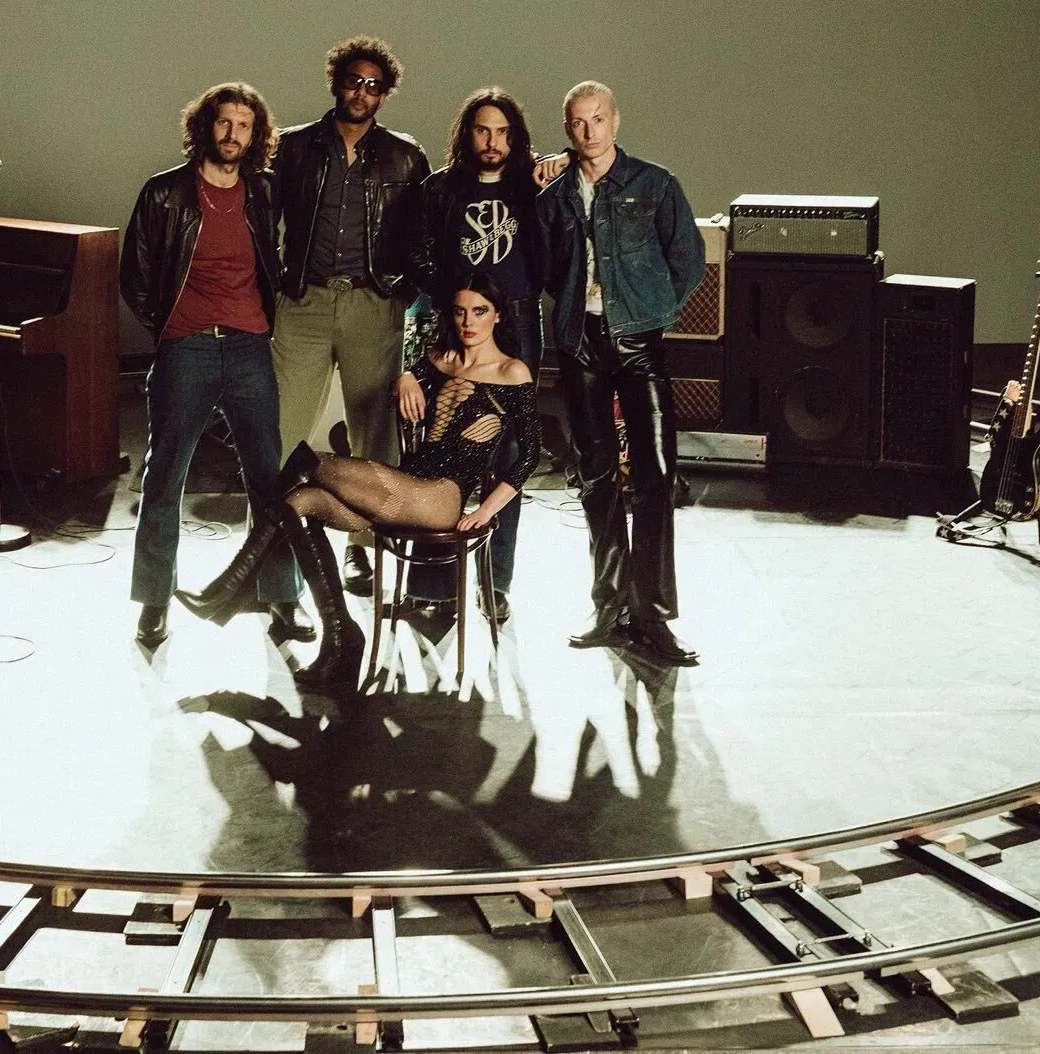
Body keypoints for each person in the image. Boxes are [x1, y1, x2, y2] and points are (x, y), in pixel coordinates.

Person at [186, 273, 540, 691]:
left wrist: (483, 511)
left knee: (308, 462)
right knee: (298, 502)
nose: (468, 321)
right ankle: (342, 639)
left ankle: (235, 584)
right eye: (460, 310)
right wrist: (406, 376)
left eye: (479, 311)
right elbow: (403, 382)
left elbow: (530, 455)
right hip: (405, 488)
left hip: (441, 498)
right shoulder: (440, 359)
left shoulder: (511, 372)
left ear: (497, 316)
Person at [119, 82, 311, 650]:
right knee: (165, 476)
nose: (233, 134)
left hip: (251, 345)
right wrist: (172, 328)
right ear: (205, 127)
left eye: (244, 125)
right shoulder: (164, 193)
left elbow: (274, 260)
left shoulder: (264, 192)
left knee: (268, 481)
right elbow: (136, 275)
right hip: (189, 347)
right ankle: (154, 602)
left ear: (256, 135)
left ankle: (281, 598)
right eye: (223, 122)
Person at [535, 81, 705, 666]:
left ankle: (652, 614)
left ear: (616, 121)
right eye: (578, 122)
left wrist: (651, 311)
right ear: (568, 128)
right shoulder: (553, 196)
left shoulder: (654, 184)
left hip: (638, 342)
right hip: (580, 342)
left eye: (598, 119)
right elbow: (548, 269)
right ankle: (608, 604)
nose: (589, 131)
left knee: (656, 473)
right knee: (595, 473)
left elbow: (687, 260)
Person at [271, 35, 430, 597]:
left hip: (372, 301)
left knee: (375, 434)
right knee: (282, 430)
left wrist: (401, 292)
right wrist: (277, 290)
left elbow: (420, 235)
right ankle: (275, 554)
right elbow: (265, 224)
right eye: (352, 81)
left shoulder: (405, 156)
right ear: (335, 82)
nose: (360, 92)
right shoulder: (291, 148)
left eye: (372, 86)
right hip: (305, 301)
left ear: (384, 95)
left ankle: (363, 550)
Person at [397, 88, 547, 618]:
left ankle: (495, 583)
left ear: (516, 137)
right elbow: (415, 254)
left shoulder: (533, 189)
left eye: (503, 131)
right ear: (467, 134)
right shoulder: (439, 190)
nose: (493, 141)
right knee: (442, 453)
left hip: (517, 322)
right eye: (483, 130)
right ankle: (434, 586)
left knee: (508, 455)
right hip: (456, 323)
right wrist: (453, 301)